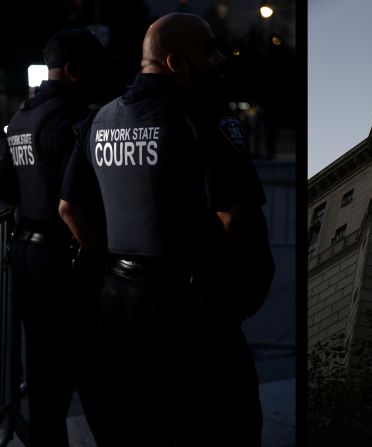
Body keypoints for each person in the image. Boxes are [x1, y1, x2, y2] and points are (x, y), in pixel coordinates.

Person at [59, 13, 275, 446]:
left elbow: (69, 208)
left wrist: (111, 263)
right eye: (209, 50)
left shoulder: (100, 120)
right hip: (190, 312)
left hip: (117, 307)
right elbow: (235, 217)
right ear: (176, 62)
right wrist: (243, 291)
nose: (218, 59)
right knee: (227, 423)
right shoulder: (201, 116)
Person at [3, 28, 111, 446]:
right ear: (72, 71)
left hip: (27, 257)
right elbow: (79, 202)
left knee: (46, 386)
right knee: (97, 379)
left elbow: (7, 188)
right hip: (68, 263)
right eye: (94, 68)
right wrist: (101, 257)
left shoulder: (20, 118)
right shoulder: (72, 122)